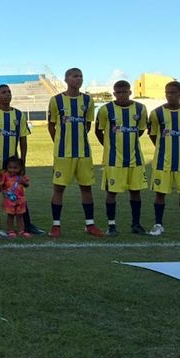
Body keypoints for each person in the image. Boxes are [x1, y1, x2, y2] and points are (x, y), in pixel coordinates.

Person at [47, 68, 104, 238]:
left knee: (86, 188)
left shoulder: (88, 100)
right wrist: (60, 142)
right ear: (66, 79)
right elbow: (51, 125)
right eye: (75, 76)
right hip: (63, 153)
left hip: (83, 153)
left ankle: (90, 225)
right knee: (59, 188)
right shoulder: (56, 100)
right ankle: (56, 225)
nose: (78, 79)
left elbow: (87, 125)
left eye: (80, 76)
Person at [0, 84, 40, 235]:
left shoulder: (19, 115)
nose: (7, 94)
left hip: (12, 166)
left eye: (9, 92)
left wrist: (23, 161)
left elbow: (23, 140)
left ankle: (27, 225)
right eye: (3, 92)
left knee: (19, 194)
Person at [95, 81, 149, 235]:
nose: (121, 95)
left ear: (130, 92)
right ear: (114, 94)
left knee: (136, 192)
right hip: (113, 160)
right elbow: (98, 131)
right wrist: (108, 146)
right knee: (111, 192)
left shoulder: (140, 108)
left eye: (124, 92)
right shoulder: (106, 109)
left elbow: (140, 130)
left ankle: (136, 224)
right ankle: (111, 225)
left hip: (135, 159)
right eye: (118, 92)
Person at [148, 81, 180, 236]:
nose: (170, 95)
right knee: (160, 194)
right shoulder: (156, 113)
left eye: (173, 92)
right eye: (167, 92)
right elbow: (153, 135)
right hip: (162, 162)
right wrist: (164, 147)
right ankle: (158, 225)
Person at [0, 156, 31, 237]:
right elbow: (0, 184)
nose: (12, 170)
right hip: (9, 200)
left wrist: (23, 182)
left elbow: (27, 184)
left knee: (20, 216)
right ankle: (10, 230)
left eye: (15, 168)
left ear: (20, 168)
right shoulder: (5, 175)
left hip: (20, 200)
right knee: (10, 216)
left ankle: (21, 230)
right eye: (10, 167)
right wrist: (3, 191)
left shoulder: (21, 176)